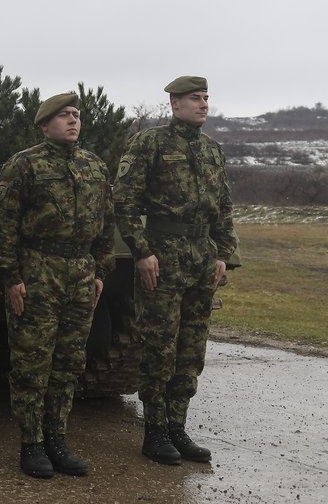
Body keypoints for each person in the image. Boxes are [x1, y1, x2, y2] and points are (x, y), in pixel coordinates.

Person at [0, 92, 115, 478]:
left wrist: (100, 272)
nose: (73, 121)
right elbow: (4, 227)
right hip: (38, 272)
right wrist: (12, 278)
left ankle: (57, 439)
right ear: (45, 125)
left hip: (79, 274)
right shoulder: (24, 165)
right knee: (32, 363)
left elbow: (106, 225)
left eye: (76, 115)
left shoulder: (94, 166)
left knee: (68, 363)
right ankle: (31, 444)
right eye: (63, 116)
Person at [113, 76, 237, 466]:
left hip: (202, 258)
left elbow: (224, 208)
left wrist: (224, 255)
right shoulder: (150, 143)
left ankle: (178, 428)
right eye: (195, 99)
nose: (203, 104)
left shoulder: (212, 150)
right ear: (174, 103)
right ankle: (154, 432)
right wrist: (142, 252)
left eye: (205, 98)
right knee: (159, 347)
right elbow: (124, 201)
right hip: (162, 259)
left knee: (191, 350)